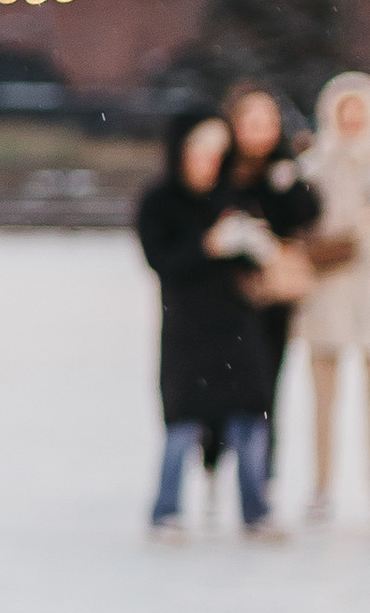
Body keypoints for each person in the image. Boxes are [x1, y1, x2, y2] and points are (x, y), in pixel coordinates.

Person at [135, 110, 285, 540]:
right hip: (187, 328)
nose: (208, 162)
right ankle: (167, 510)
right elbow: (162, 262)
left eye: (217, 153)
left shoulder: (232, 196)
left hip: (238, 324)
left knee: (250, 416)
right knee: (183, 420)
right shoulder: (159, 201)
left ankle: (255, 509)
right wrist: (208, 245)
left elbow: (294, 217)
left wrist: (255, 242)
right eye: (200, 151)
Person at [217, 80, 318, 471]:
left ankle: (261, 476)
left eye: (268, 119)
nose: (261, 128)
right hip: (225, 298)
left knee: (265, 390)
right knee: (219, 386)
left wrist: (287, 181)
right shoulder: (220, 170)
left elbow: (306, 215)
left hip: (272, 301)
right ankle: (215, 462)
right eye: (252, 119)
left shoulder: (283, 168)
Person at [296, 72, 370, 521]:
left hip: (367, 294)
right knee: (322, 402)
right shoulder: (312, 166)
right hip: (324, 296)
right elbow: (300, 226)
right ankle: (322, 484)